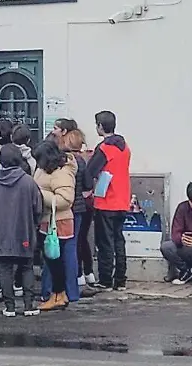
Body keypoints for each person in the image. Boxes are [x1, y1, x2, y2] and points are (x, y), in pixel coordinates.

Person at [0, 144, 44, 317]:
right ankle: (29, 305)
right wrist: (34, 225)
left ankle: (9, 307)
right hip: (24, 231)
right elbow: (38, 209)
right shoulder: (28, 182)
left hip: (0, 234)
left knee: (5, 269)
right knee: (26, 267)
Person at [86, 110, 132, 291]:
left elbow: (90, 171)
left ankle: (105, 279)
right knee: (119, 241)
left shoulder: (104, 148)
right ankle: (120, 280)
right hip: (122, 199)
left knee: (105, 242)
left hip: (106, 201)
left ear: (100, 126)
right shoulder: (124, 146)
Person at [32, 140, 77, 312]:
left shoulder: (62, 173)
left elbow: (65, 200)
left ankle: (58, 295)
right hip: (47, 220)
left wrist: (39, 194)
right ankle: (58, 294)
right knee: (51, 261)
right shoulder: (46, 169)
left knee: (55, 261)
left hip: (58, 222)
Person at [59, 128, 95, 295]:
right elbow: (88, 184)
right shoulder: (81, 161)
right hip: (80, 207)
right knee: (75, 244)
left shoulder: (64, 160)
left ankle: (68, 280)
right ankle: (77, 279)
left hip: (65, 207)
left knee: (65, 245)